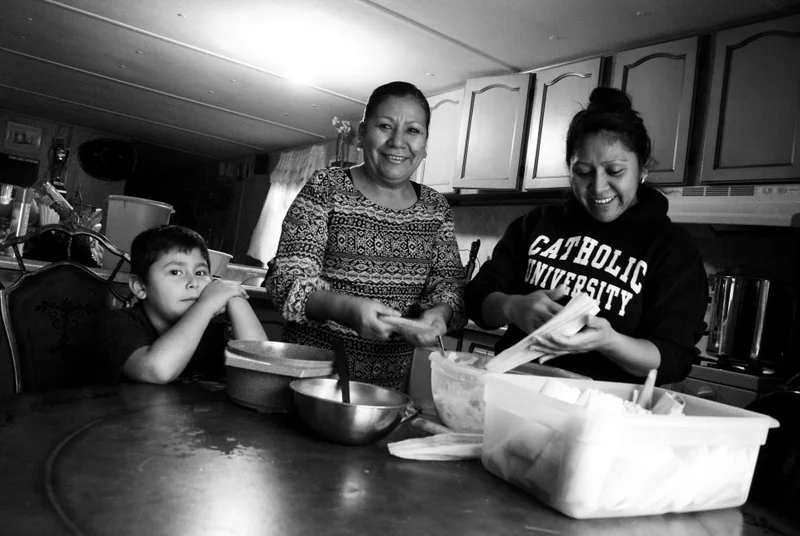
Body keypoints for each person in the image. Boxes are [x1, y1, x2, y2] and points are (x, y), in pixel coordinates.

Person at [465, 87, 708, 385]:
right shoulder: (537, 223)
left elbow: (674, 358)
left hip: (602, 415)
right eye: (582, 172)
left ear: (642, 169)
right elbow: (476, 298)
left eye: (615, 171)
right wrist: (512, 306)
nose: (598, 187)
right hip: (513, 394)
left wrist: (609, 342)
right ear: (569, 169)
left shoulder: (672, 249)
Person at [265, 81, 466, 391]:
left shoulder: (436, 208)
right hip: (308, 380)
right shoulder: (326, 188)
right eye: (385, 126)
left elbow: (448, 284)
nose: (398, 142)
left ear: (425, 144)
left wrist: (440, 313)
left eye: (413, 130)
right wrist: (347, 309)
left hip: (386, 395)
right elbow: (286, 282)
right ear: (362, 132)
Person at [94, 225, 267, 384]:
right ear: (140, 287)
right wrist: (206, 305)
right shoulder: (116, 326)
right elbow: (157, 370)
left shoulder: (214, 330)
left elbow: (262, 371)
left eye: (200, 272)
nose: (193, 282)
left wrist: (234, 296)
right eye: (176, 272)